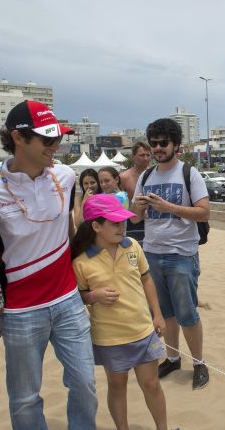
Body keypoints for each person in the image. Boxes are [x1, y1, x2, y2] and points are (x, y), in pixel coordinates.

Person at [0, 100, 97, 429]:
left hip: (68, 300)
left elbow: (67, 230)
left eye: (59, 139)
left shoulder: (67, 177)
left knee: (85, 382)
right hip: (21, 311)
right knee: (25, 397)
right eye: (48, 140)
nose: (57, 147)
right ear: (18, 138)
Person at [72, 194, 168, 430]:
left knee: (152, 384)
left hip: (143, 331)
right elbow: (78, 296)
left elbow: (147, 280)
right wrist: (94, 296)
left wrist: (157, 314)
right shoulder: (81, 261)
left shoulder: (133, 246)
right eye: (115, 223)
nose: (122, 227)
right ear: (96, 226)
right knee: (117, 386)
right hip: (109, 337)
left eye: (123, 221)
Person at [130, 118, 211, 390]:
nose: (157, 148)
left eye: (163, 143)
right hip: (152, 253)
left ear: (176, 145)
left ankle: (199, 363)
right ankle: (173, 358)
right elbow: (136, 218)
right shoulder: (146, 176)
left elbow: (203, 211)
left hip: (182, 255)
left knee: (187, 313)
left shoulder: (189, 173)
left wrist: (170, 207)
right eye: (154, 143)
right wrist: (139, 207)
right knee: (165, 315)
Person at [119, 142, 152, 245]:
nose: (146, 158)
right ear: (133, 157)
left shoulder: (155, 175)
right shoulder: (124, 177)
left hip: (151, 222)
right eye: (142, 155)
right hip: (132, 223)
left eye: (148, 155)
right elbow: (119, 204)